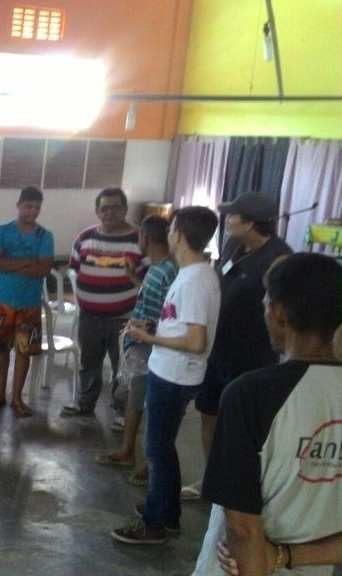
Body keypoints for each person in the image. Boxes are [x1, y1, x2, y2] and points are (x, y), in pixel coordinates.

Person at [192, 253, 342, 575]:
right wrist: (288, 556)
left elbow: (243, 529)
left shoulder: (250, 395)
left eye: (265, 306)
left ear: (278, 313)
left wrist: (272, 557)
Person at [111, 206, 221, 545]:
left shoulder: (195, 281)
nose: (168, 233)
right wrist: (153, 326)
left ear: (179, 235)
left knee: (156, 450)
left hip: (175, 375)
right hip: (169, 369)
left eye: (172, 228)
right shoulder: (191, 275)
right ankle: (167, 512)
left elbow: (196, 341)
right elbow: (182, 325)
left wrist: (149, 338)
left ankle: (154, 523)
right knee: (162, 446)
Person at [181, 191, 292, 500]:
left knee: (244, 427)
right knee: (209, 414)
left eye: (233, 216)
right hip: (217, 350)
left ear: (251, 223)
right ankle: (212, 480)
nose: (227, 220)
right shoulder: (232, 245)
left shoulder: (279, 258)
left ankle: (240, 490)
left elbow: (282, 312)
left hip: (251, 357)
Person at [95, 216, 177, 485]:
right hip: (139, 342)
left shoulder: (170, 270)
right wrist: (133, 278)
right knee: (132, 396)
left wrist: (146, 327)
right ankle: (127, 450)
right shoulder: (156, 266)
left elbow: (171, 313)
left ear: (145, 237)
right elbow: (150, 296)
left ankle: (150, 464)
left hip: (151, 345)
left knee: (149, 403)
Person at [62, 188, 144, 419]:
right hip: (90, 317)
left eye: (116, 207)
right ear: (97, 211)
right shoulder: (85, 237)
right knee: (88, 363)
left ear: (125, 209)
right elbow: (74, 269)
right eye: (104, 208)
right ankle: (85, 404)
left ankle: (121, 411)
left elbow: (149, 278)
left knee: (123, 367)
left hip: (125, 318)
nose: (110, 213)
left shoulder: (140, 239)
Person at [0, 186, 54, 416]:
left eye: (37, 208)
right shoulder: (1, 231)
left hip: (29, 303)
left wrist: (11, 264)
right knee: (1, 350)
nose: (32, 211)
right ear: (18, 205)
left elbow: (44, 269)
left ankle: (17, 397)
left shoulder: (45, 236)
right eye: (28, 206)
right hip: (4, 301)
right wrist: (27, 262)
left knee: (24, 351)